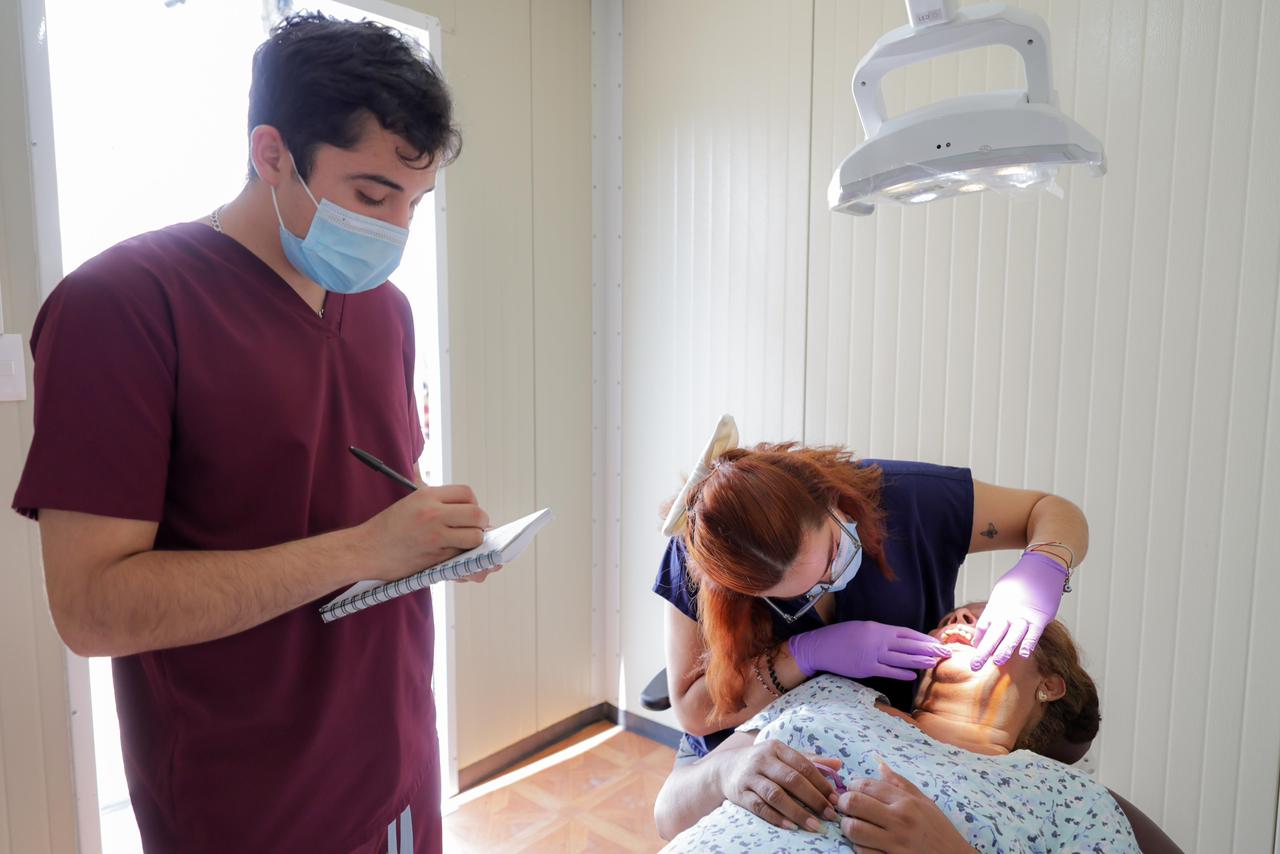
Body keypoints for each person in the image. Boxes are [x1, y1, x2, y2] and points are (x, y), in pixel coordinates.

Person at [13, 14, 489, 853]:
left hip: (397, 759)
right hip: (249, 801)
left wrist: (430, 540)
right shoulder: (121, 308)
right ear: (272, 154)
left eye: (414, 204)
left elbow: (362, 491)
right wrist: (365, 550)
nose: (395, 231)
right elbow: (92, 610)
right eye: (371, 196)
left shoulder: (384, 309)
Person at [653, 416, 1089, 828]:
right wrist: (804, 654)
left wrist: (1045, 564)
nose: (829, 583)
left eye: (832, 555)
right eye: (796, 594)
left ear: (831, 500)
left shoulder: (909, 499)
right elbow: (693, 719)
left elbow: (1049, 510)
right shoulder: (705, 560)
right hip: (746, 755)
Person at [654, 604, 1142, 852]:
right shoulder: (830, 694)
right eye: (952, 617)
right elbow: (668, 814)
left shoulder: (1070, 799)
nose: (961, 617)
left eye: (993, 621)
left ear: (1050, 685)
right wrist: (727, 772)